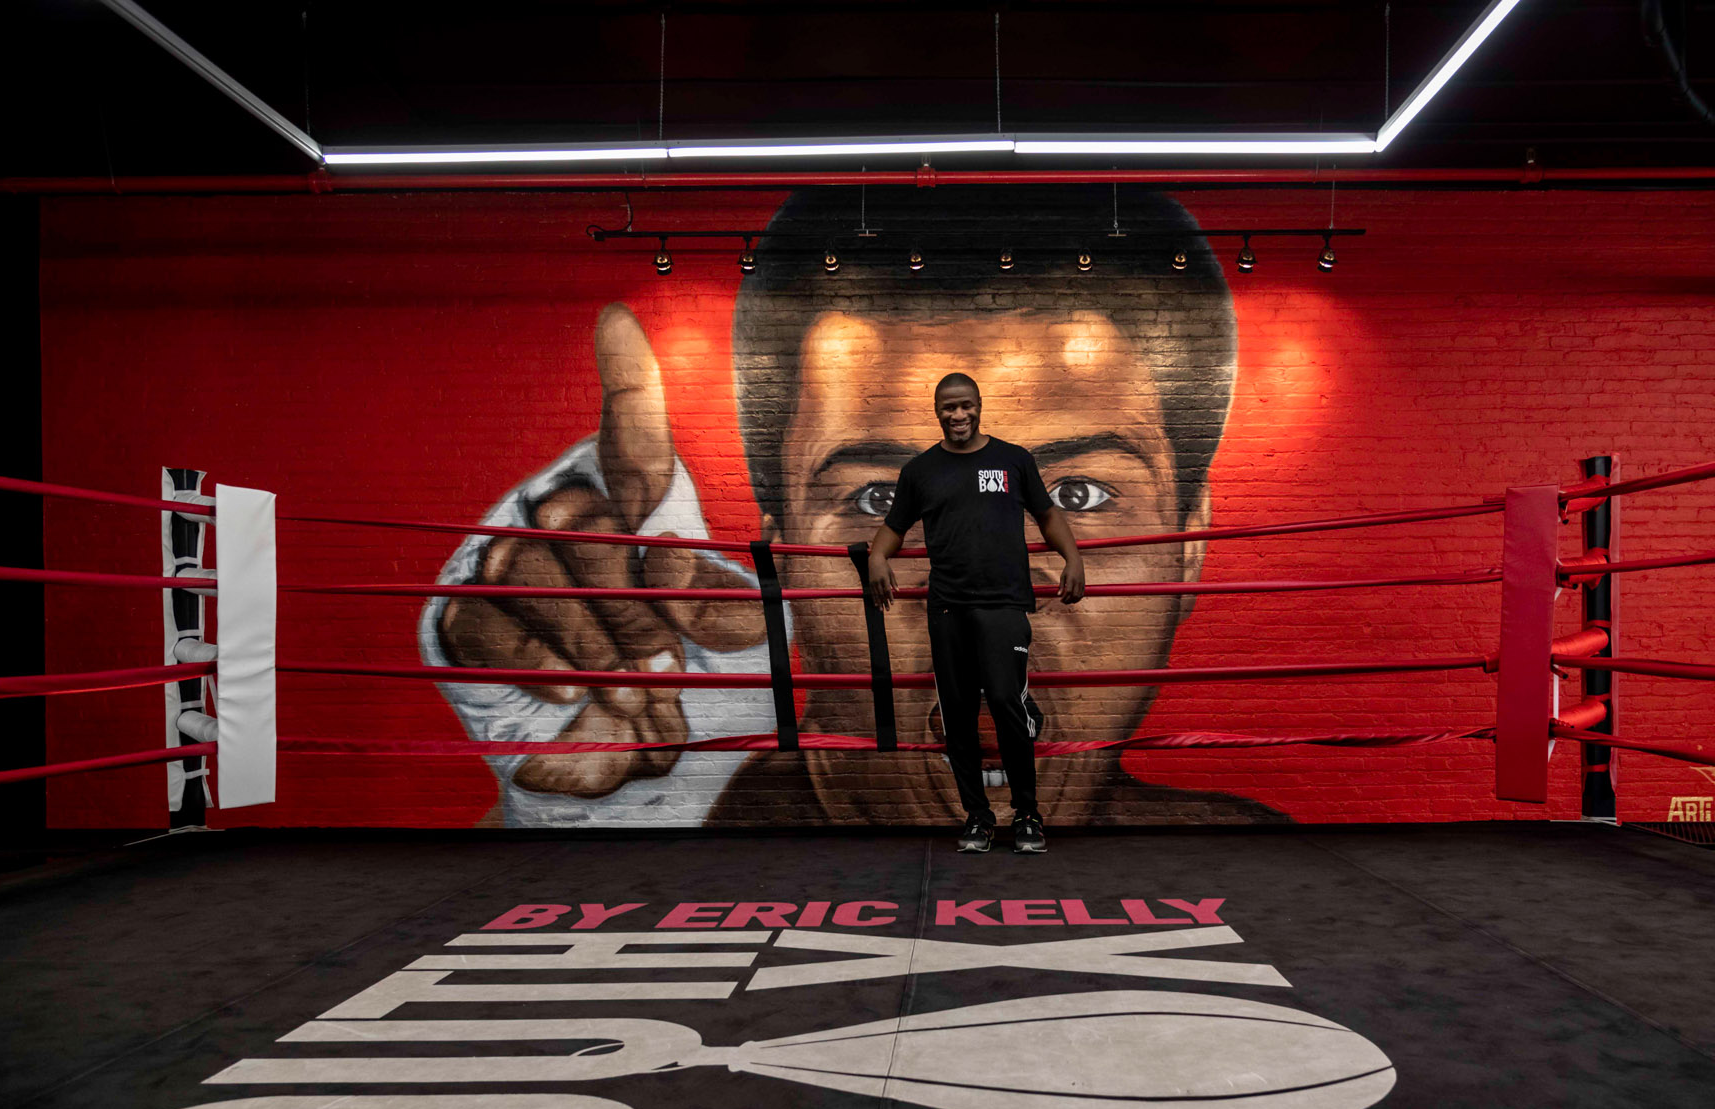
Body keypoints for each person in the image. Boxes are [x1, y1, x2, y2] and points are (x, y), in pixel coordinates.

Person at [424, 185, 1283, 829]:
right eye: (864, 492)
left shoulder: (1250, 851)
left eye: (1087, 491)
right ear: (784, 547)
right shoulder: (713, 815)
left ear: (1190, 542)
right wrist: (616, 794)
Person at [864, 372, 1084, 852]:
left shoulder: (1012, 460)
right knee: (958, 713)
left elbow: (1048, 515)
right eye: (948, 408)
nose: (957, 415)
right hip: (947, 609)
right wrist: (878, 557)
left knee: (1007, 701)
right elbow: (894, 527)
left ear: (979, 406)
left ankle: (1026, 814)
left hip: (1004, 603)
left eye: (965, 406)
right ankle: (978, 817)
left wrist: (1073, 557)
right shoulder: (920, 471)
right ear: (937, 411)